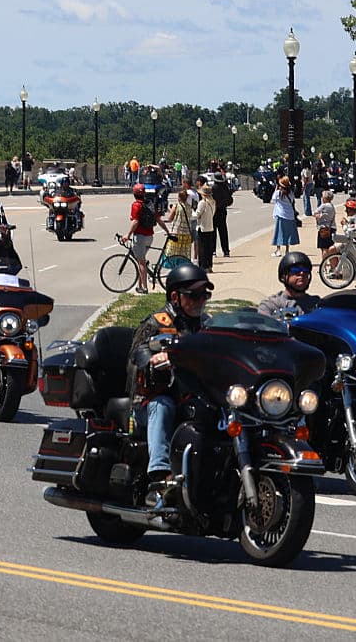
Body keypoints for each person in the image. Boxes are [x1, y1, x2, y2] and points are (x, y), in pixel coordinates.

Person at [127, 263, 212, 498]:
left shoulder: (206, 325)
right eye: (194, 295)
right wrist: (154, 358)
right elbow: (136, 354)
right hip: (148, 402)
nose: (200, 300)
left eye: (204, 295)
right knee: (162, 406)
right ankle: (159, 474)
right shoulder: (157, 322)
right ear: (175, 296)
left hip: (191, 397)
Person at [122, 184, 171, 294]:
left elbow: (135, 222)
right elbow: (158, 219)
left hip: (140, 236)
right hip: (150, 236)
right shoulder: (150, 204)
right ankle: (139, 285)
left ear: (134, 194)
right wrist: (167, 231)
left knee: (141, 263)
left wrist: (128, 235)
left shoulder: (136, 205)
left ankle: (144, 288)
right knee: (141, 260)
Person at [258, 251, 321, 316]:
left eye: (305, 270)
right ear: (283, 276)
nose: (302, 273)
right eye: (296, 270)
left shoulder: (317, 304)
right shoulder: (271, 305)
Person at [270, 176, 300, 257]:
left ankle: (278, 250)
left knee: (279, 233)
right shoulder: (290, 193)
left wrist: (276, 189)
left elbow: (273, 200)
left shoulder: (278, 193)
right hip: (290, 215)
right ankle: (287, 250)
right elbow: (293, 200)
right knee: (288, 233)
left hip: (280, 215)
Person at [208, 163, 232, 257]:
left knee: (213, 232)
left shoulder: (213, 188)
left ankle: (213, 251)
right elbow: (229, 199)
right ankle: (226, 251)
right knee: (223, 231)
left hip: (214, 211)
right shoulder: (225, 187)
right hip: (222, 210)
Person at [163, 188, 193, 260]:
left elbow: (170, 218)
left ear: (179, 197)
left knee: (173, 254)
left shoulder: (176, 206)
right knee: (184, 254)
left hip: (177, 233)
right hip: (187, 233)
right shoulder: (189, 207)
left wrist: (170, 211)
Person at [194, 180, 216, 272]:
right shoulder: (213, 202)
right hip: (210, 226)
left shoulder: (202, 202)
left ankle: (203, 266)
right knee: (209, 248)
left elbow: (197, 214)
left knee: (202, 248)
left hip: (202, 227)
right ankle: (209, 265)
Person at [313, 190, 337, 265]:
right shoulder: (332, 206)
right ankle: (332, 266)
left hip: (324, 228)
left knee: (324, 249)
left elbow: (315, 212)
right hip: (331, 227)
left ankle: (324, 265)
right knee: (330, 247)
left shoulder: (324, 205)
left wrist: (319, 216)